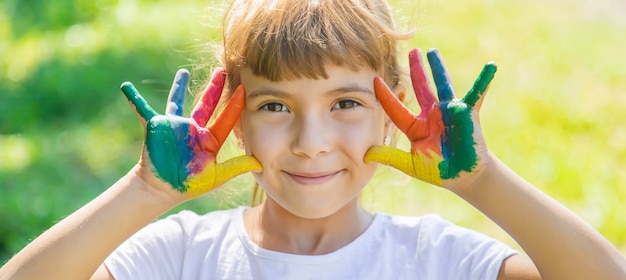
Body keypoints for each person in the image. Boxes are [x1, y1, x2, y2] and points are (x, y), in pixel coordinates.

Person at [1, 0, 625, 279]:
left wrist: (483, 181)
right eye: (275, 105)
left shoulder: (437, 260)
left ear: (392, 112)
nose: (311, 141)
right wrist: (144, 191)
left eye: (347, 103)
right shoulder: (179, 256)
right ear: (233, 119)